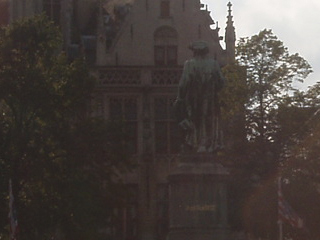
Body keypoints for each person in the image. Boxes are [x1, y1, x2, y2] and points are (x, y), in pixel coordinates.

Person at [175, 41, 225, 153]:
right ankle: (208, 145)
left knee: (195, 121)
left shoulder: (189, 64)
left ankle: (196, 144)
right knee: (208, 120)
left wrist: (180, 98)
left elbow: (184, 83)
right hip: (211, 99)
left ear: (195, 52)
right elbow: (222, 82)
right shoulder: (214, 64)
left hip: (194, 99)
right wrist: (214, 87)